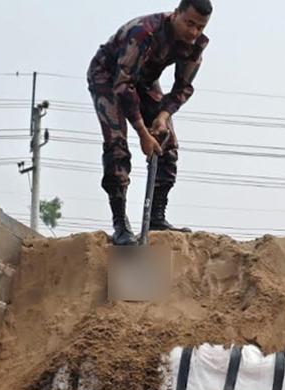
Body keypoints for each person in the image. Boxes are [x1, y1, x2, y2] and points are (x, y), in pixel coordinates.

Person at [87, 0, 212, 245]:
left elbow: (183, 88)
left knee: (167, 143)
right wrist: (143, 133)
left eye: (200, 27)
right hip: (109, 76)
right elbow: (123, 85)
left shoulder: (196, 45)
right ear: (175, 14)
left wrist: (163, 117)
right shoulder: (144, 32)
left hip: (144, 81)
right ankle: (120, 224)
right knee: (117, 145)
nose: (193, 32)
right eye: (189, 23)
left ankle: (156, 216)